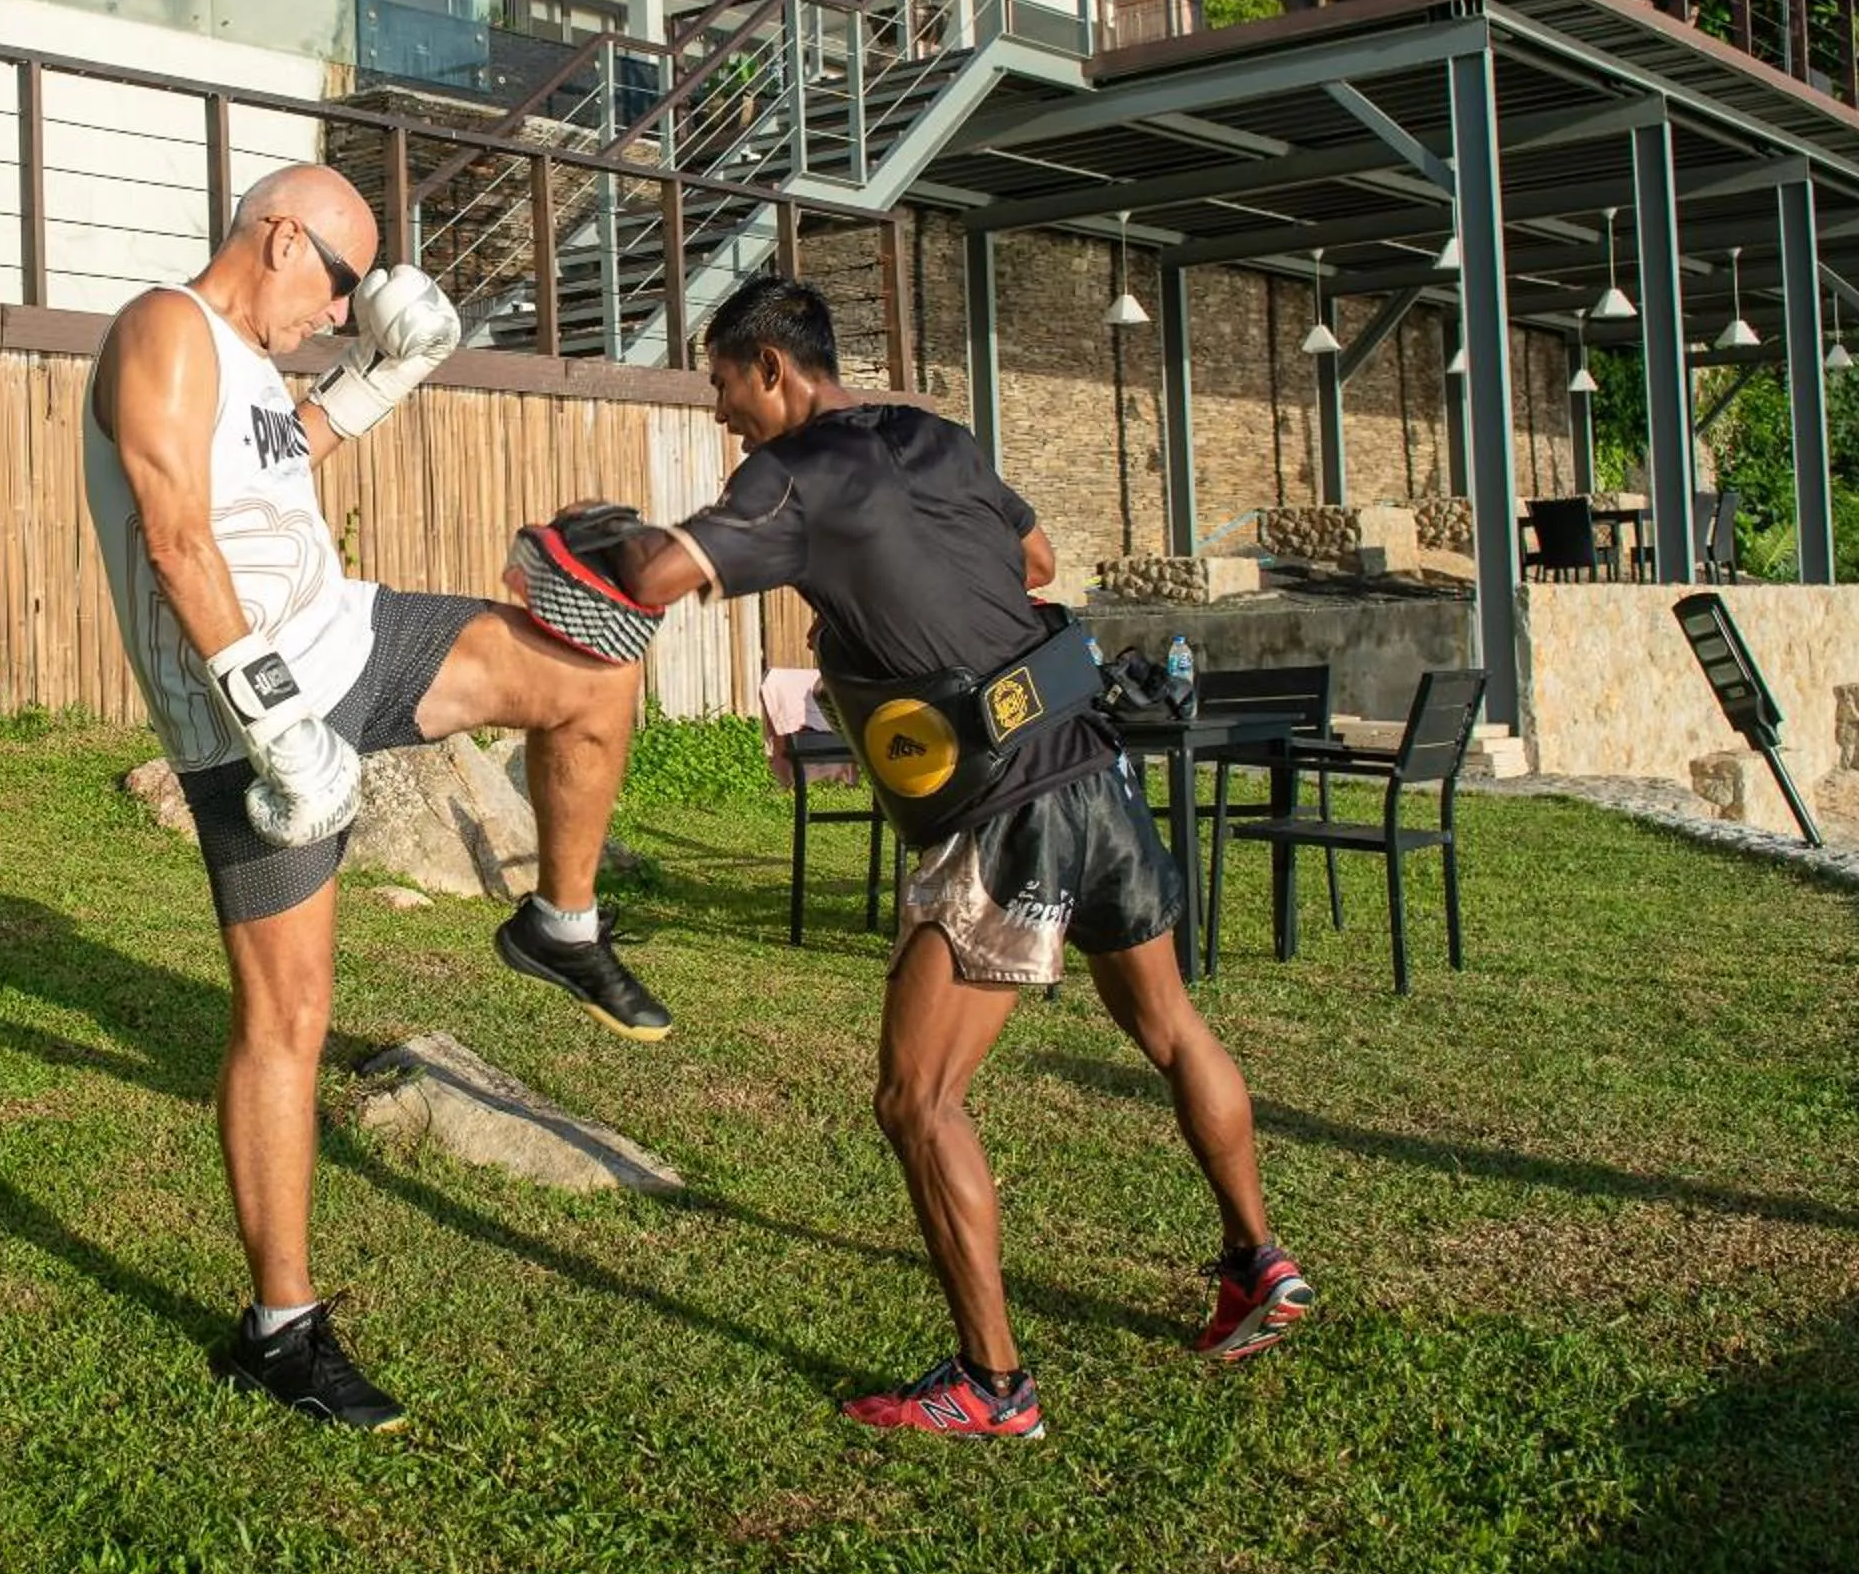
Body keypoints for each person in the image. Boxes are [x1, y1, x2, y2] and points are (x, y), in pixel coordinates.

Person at [599, 274, 1313, 1438]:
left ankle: (994, 1385)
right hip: (1093, 765)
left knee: (917, 1097)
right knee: (1172, 1027)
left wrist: (599, 534)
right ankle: (1258, 1262)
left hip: (1003, 809)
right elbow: (1032, 559)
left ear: (773, 370)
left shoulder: (791, 474)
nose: (723, 412)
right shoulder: (938, 435)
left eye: (724, 386)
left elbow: (655, 579)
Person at [84, 164, 670, 1432]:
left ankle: (559, 922)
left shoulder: (244, 361)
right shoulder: (162, 328)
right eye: (341, 290)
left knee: (590, 674)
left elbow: (285, 451)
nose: (340, 315)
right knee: (287, 1019)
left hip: (356, 639)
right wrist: (270, 724)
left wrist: (391, 373)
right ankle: (282, 1331)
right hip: (253, 725)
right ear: (283, 234)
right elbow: (177, 537)